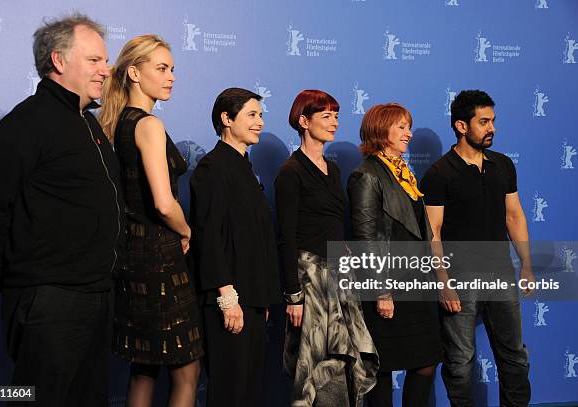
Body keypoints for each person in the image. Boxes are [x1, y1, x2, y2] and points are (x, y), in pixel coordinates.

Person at [0, 13, 122, 406]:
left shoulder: (89, 125)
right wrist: (23, 284)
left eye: (104, 61)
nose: (105, 71)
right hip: (50, 302)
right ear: (58, 60)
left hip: (96, 298)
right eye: (94, 61)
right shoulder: (27, 122)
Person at [99, 35, 203, 407]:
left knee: (144, 368)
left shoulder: (117, 124)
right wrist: (186, 229)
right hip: (160, 258)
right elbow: (163, 203)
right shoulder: (148, 125)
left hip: (133, 255)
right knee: (187, 371)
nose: (171, 76)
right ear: (134, 72)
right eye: (161, 68)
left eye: (172, 69)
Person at [421, 90, 532, 407]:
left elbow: (514, 215)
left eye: (493, 121)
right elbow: (434, 232)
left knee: (515, 356)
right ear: (461, 125)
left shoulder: (503, 165)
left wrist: (525, 264)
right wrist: (443, 283)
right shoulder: (439, 174)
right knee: (460, 361)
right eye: (483, 122)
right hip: (459, 274)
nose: (491, 128)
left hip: (500, 270)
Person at [276, 90, 377, 406]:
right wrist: (294, 296)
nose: (334, 122)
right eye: (325, 116)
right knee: (319, 362)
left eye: (336, 115)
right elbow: (286, 237)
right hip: (310, 280)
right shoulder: (290, 173)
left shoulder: (333, 171)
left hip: (340, 275)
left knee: (348, 358)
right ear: (304, 121)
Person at [189, 88, 281, 407]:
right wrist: (228, 298)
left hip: (251, 299)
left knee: (249, 392)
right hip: (228, 300)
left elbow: (257, 239)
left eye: (260, 115)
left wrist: (262, 297)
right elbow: (209, 236)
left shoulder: (243, 167)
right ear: (226, 119)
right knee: (230, 391)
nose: (260, 122)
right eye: (251, 115)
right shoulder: (212, 167)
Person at [347, 103, 441, 407]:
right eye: (400, 126)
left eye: (408, 126)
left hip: (416, 281)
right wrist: (381, 291)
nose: (409, 133)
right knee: (383, 368)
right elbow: (365, 238)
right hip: (387, 286)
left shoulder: (405, 174)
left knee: (426, 361)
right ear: (380, 130)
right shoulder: (366, 174)